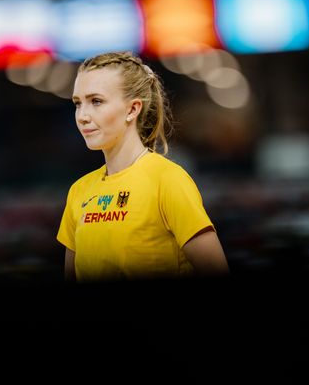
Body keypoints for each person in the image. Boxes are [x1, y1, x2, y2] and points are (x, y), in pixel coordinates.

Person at [56, 51, 229, 282]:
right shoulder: (79, 191)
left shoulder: (168, 180)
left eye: (96, 101)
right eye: (78, 103)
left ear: (132, 109)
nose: (83, 116)